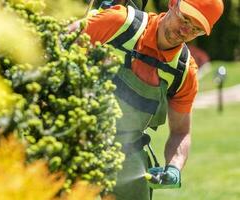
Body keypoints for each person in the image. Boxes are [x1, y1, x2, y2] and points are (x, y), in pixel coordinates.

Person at [70, 0, 224, 199]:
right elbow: (54, 49)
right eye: (185, 19)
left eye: (196, 30)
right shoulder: (118, 23)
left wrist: (174, 168)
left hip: (127, 151)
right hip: (72, 134)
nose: (185, 31)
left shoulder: (184, 72)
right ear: (172, 4)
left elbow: (181, 132)